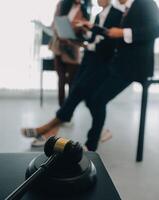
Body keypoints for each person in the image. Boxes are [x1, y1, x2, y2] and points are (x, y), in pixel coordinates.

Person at [22, 0, 123, 148]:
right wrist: (85, 35)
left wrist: (86, 40)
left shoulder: (117, 14)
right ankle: (96, 134)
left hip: (100, 63)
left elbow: (110, 43)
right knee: (90, 99)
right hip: (88, 59)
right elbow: (93, 37)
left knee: (77, 92)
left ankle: (48, 128)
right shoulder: (97, 14)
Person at [49, 0, 92, 106]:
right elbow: (54, 23)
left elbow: (86, 31)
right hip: (59, 46)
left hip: (73, 48)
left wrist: (81, 27)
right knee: (61, 79)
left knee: (72, 81)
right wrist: (59, 32)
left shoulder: (84, 9)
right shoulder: (62, 4)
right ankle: (61, 109)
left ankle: (68, 109)